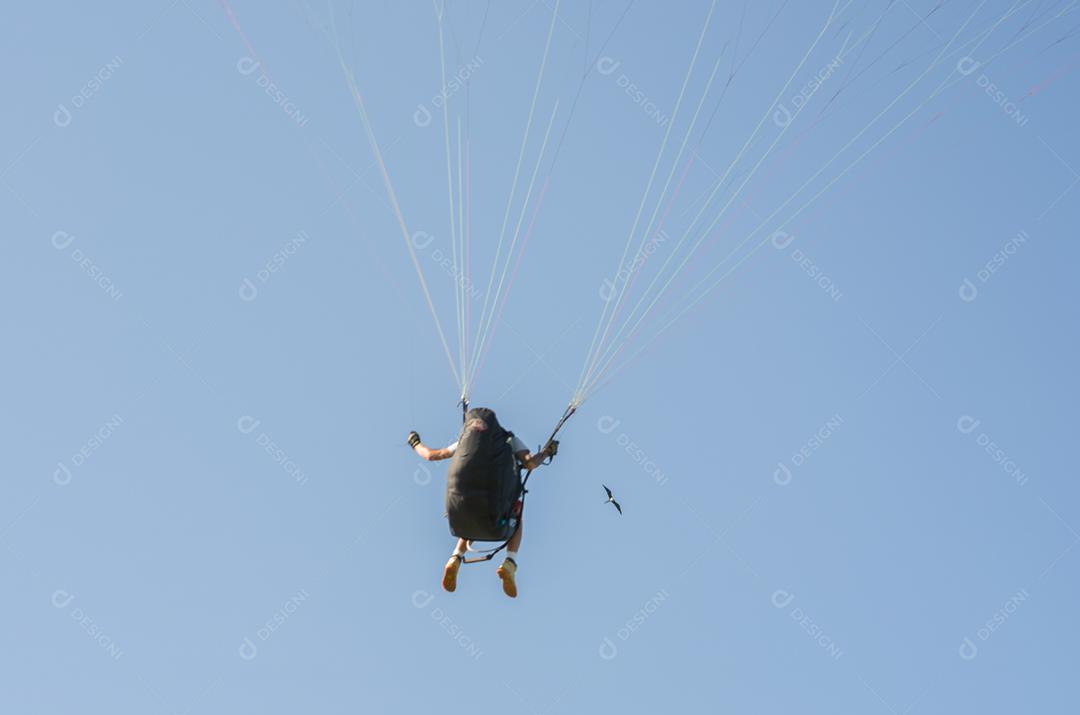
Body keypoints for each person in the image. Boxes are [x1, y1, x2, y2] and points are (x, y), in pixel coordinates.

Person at [408, 409, 557, 598]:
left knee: (471, 511)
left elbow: (431, 455)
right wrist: (547, 452)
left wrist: (415, 443)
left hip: (463, 504)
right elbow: (530, 463)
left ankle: (455, 558)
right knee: (515, 514)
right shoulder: (508, 439)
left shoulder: (464, 441)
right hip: (494, 503)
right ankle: (510, 563)